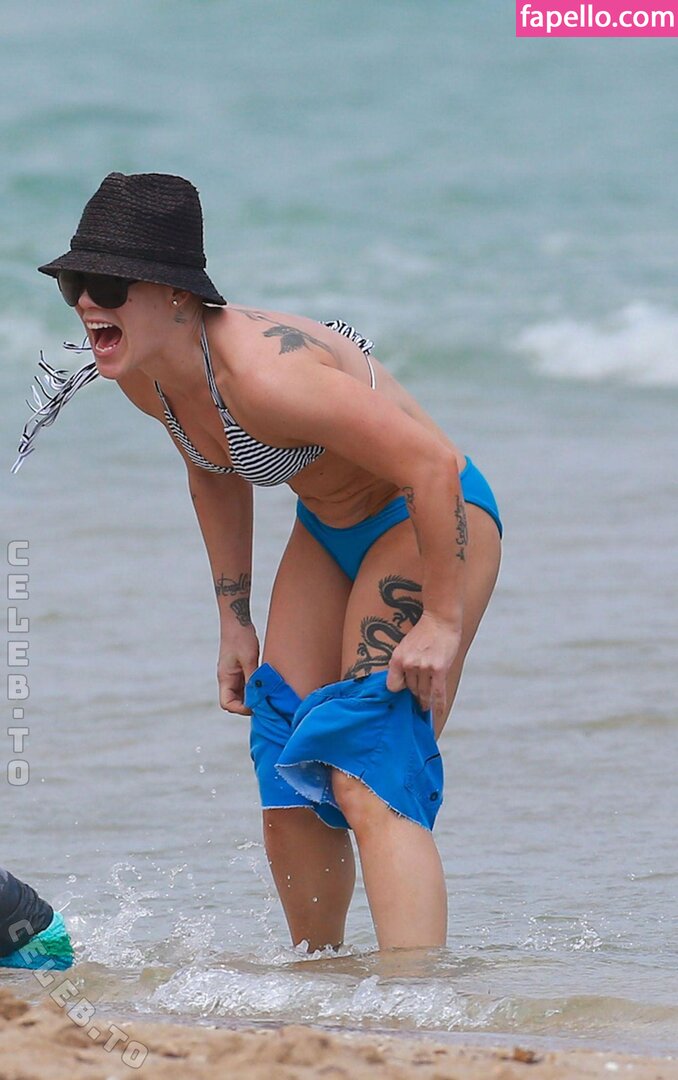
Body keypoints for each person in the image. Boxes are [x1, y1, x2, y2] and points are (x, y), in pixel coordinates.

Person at [14, 172, 503, 953]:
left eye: (106, 285)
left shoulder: (265, 375)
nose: (84, 304)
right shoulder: (146, 376)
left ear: (176, 293)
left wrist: (443, 620)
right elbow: (212, 470)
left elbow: (433, 465)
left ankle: (418, 1000)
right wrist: (233, 620)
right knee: (284, 765)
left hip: (428, 521)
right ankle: (321, 984)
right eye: (74, 284)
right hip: (329, 528)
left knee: (366, 767)